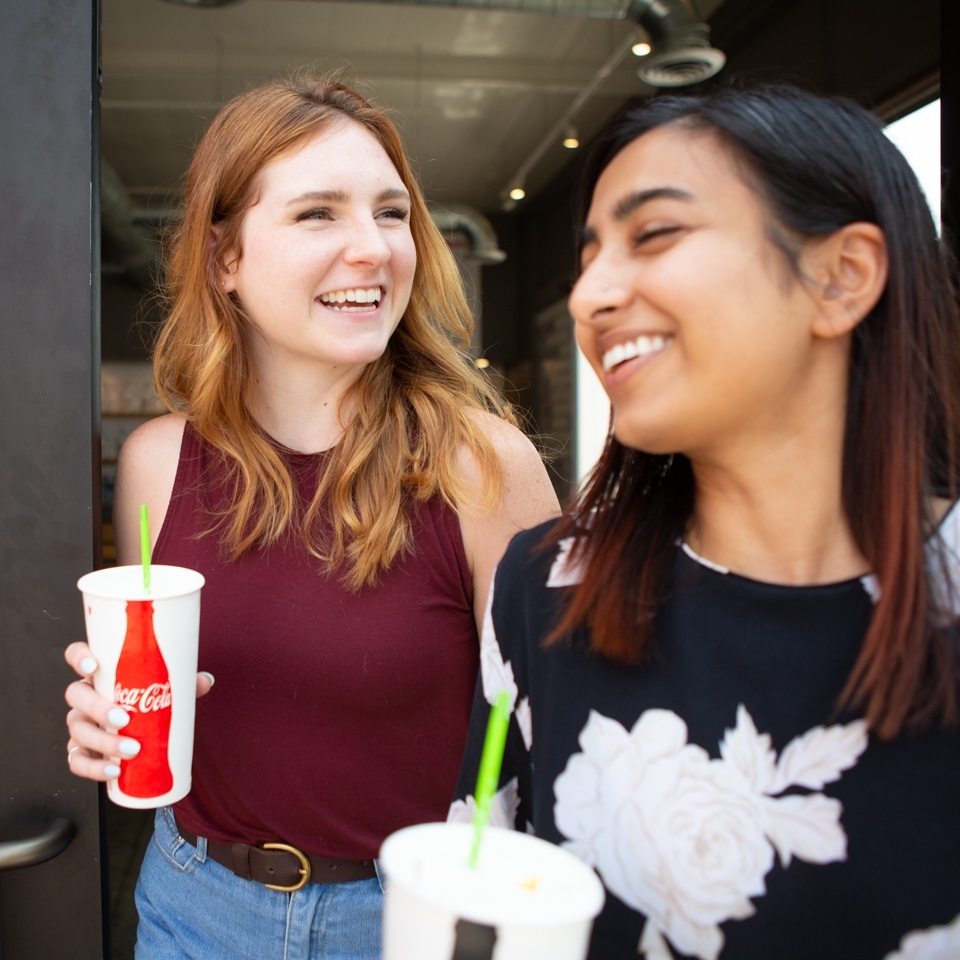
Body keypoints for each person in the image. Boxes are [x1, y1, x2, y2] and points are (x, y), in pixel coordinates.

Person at [452, 85, 960, 960]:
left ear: (841, 277)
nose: (589, 296)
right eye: (588, 258)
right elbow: (479, 898)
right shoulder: (546, 587)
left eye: (654, 234)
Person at [64, 76, 559, 960]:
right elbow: (149, 689)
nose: (373, 247)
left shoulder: (482, 466)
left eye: (392, 213)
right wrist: (104, 720)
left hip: (404, 920)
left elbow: (564, 738)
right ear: (224, 258)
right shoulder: (156, 462)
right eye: (318, 213)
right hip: (191, 907)